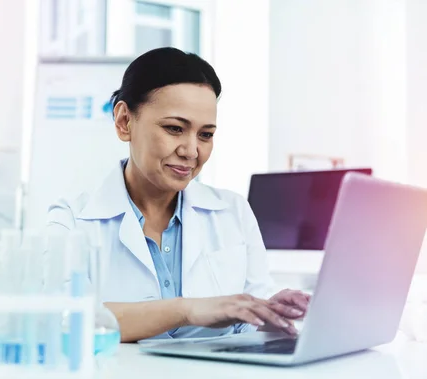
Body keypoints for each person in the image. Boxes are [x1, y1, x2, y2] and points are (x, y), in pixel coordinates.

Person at [47, 47, 310, 343]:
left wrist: (272, 311)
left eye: (205, 135)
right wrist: (186, 310)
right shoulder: (71, 219)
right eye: (174, 128)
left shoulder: (233, 211)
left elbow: (251, 310)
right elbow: (61, 318)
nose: (191, 151)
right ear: (124, 121)